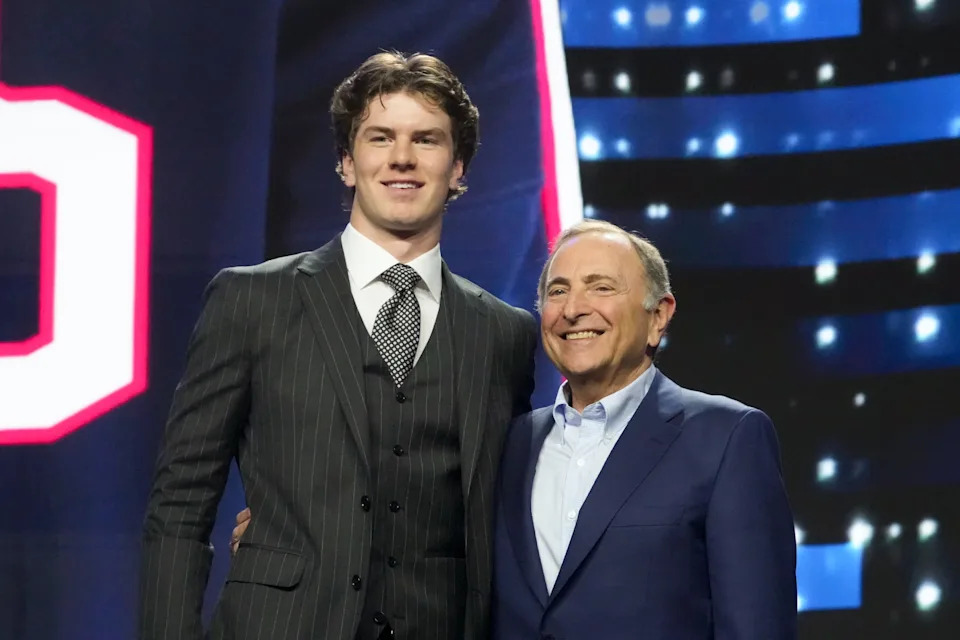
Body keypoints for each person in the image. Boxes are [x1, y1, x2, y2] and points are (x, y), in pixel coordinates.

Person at [139, 51, 537, 640]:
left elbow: (504, 516)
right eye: (381, 138)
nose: (402, 157)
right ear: (348, 164)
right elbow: (181, 503)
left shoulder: (504, 332)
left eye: (426, 140)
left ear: (458, 168)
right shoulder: (252, 301)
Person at [491, 220, 797, 639]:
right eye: (558, 291)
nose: (574, 308)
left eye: (601, 287)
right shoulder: (511, 444)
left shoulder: (726, 439)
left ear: (658, 317)